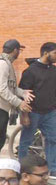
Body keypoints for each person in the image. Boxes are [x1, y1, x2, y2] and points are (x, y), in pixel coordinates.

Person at [0, 39, 33, 158]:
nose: (19, 53)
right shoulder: (1, 64)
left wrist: (23, 92)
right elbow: (2, 89)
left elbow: (10, 86)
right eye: (19, 50)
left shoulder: (7, 64)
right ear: (15, 50)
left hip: (0, 107)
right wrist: (19, 103)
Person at [17, 42, 56, 171]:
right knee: (26, 141)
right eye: (55, 53)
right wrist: (24, 115)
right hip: (33, 112)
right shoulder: (30, 71)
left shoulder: (54, 70)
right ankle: (23, 167)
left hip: (50, 113)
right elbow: (23, 94)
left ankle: (52, 170)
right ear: (45, 53)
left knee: (53, 140)